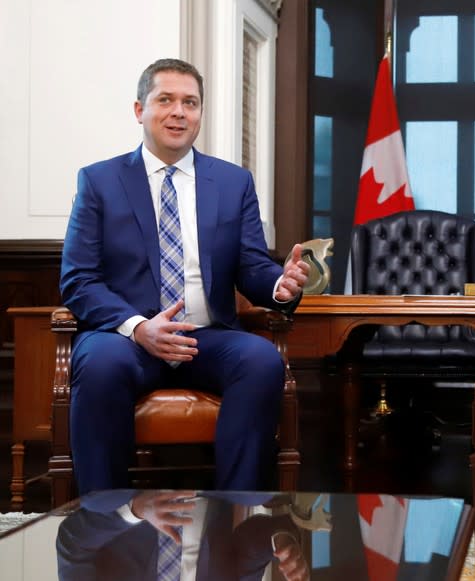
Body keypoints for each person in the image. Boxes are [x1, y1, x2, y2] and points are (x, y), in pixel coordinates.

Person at [60, 58, 309, 495]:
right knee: (99, 363)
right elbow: (79, 280)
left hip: (205, 337)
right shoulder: (100, 181)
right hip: (125, 338)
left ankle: (236, 516)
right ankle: (105, 520)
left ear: (200, 113)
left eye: (190, 103)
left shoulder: (233, 183)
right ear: (140, 110)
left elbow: (251, 266)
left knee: (261, 360)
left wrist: (278, 285)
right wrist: (139, 328)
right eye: (166, 100)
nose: (179, 112)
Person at [56, 490, 310, 581]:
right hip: (209, 491)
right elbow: (249, 547)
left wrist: (136, 510)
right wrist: (281, 540)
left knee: (99, 496)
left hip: (132, 491)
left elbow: (73, 543)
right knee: (261, 491)